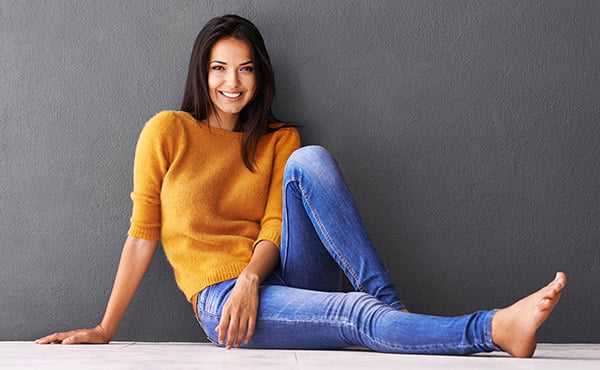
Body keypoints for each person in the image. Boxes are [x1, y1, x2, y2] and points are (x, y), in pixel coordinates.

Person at [35, 14, 566, 358]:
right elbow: (142, 235)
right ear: (203, 71)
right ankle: (491, 328)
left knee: (310, 159)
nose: (232, 83)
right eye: (219, 68)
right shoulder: (168, 131)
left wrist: (250, 278)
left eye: (244, 70)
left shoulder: (277, 138)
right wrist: (105, 328)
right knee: (356, 316)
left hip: (277, 275)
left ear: (260, 75)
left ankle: (390, 309)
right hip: (223, 304)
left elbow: (274, 223)